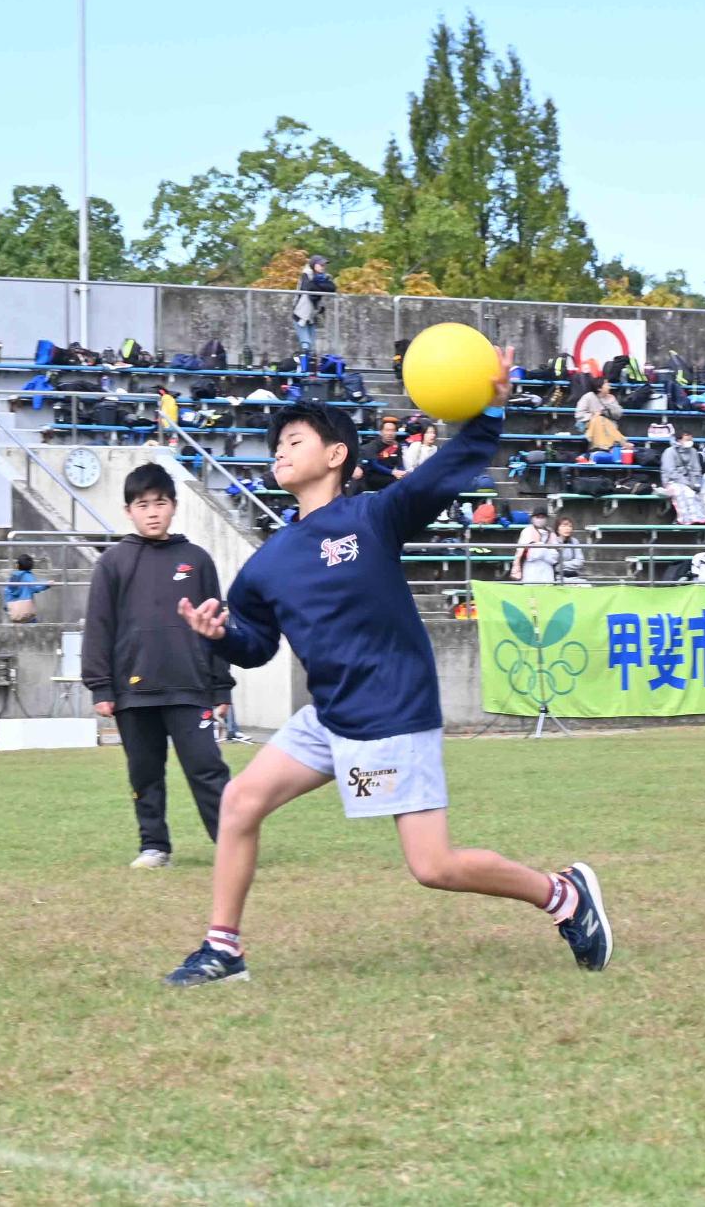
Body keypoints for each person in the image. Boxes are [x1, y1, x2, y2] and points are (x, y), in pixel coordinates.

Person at [165, 355, 611, 986]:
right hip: (331, 718)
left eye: (296, 440)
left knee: (434, 867)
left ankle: (562, 894)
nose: (280, 451)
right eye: (276, 444)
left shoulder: (371, 517)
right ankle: (223, 950)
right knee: (240, 802)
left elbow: (449, 470)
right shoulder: (268, 562)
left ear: (337, 455)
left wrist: (490, 411)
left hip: (392, 712)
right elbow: (256, 644)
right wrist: (220, 636)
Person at [83, 463, 236, 870]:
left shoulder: (197, 560)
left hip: (191, 688)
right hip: (134, 692)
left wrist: (222, 687)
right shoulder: (112, 563)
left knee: (208, 768)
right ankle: (154, 846)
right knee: (145, 774)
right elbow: (99, 626)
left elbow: (217, 626)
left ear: (174, 506)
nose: (153, 512)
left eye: (161, 503)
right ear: (128, 510)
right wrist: (101, 687)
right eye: (143, 504)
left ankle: (232, 844)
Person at [659, 429, 705, 524]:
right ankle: (686, 520)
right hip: (672, 482)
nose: (689, 442)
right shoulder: (669, 452)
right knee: (686, 493)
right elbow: (671, 472)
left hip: (689, 482)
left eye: (690, 439)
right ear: (679, 440)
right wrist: (687, 483)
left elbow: (696, 470)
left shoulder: (693, 451)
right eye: (687, 439)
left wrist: (695, 483)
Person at [293, 254, 335, 355]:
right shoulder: (306, 275)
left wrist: (321, 284)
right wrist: (322, 285)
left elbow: (332, 288)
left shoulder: (322, 277)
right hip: (300, 316)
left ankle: (309, 369)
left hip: (311, 317)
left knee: (311, 348)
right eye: (320, 265)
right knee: (306, 345)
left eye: (324, 265)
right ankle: (303, 368)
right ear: (314, 265)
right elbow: (311, 290)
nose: (323, 267)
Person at [511, 508, 558, 583]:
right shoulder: (527, 531)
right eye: (537, 517)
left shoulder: (551, 533)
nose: (540, 519)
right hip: (531, 569)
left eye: (542, 517)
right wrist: (544, 549)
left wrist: (541, 549)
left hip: (547, 569)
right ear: (532, 518)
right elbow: (526, 553)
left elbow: (555, 555)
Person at [4, 555, 48, 623]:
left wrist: (6, 606)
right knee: (32, 625)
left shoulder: (13, 576)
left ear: (18, 565)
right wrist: (47, 584)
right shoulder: (27, 576)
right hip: (25, 609)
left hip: (13, 608)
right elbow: (36, 587)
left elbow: (8, 591)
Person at [554, 515, 588, 584]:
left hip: (574, 576)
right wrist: (572, 563)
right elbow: (555, 566)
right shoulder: (554, 542)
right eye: (564, 526)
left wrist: (563, 564)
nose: (567, 528)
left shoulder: (574, 541)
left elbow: (580, 561)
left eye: (570, 526)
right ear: (557, 529)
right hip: (559, 577)